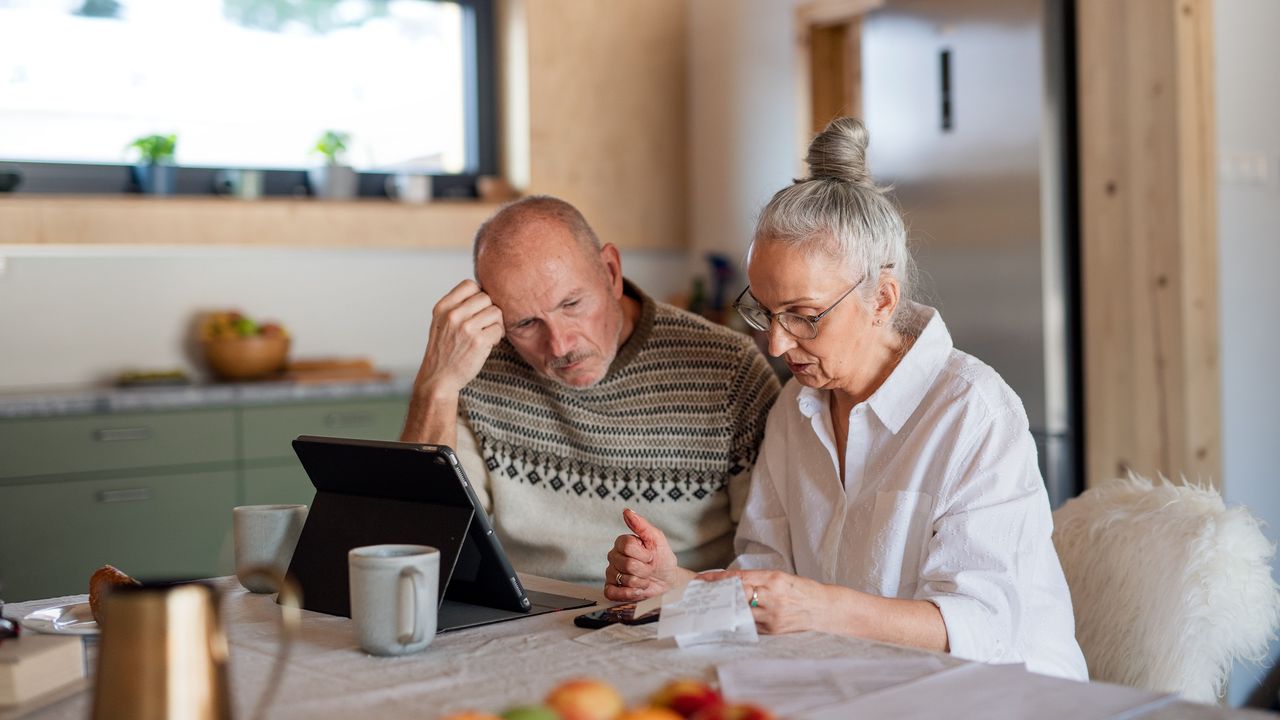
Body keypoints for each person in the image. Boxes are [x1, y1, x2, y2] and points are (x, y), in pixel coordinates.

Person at [604, 118, 1088, 680]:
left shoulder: (973, 413)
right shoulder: (796, 408)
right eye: (763, 311)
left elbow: (984, 627)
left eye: (805, 317)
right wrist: (677, 586)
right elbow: (766, 585)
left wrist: (820, 608)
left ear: (881, 299)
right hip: (860, 685)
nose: (778, 343)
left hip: (1005, 698)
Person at [401, 195, 780, 586]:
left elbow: (772, 563)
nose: (560, 346)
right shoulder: (477, 366)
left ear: (611, 272)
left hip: (678, 617)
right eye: (526, 323)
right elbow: (422, 545)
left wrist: (681, 586)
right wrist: (436, 386)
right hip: (527, 618)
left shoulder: (729, 368)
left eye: (572, 304)